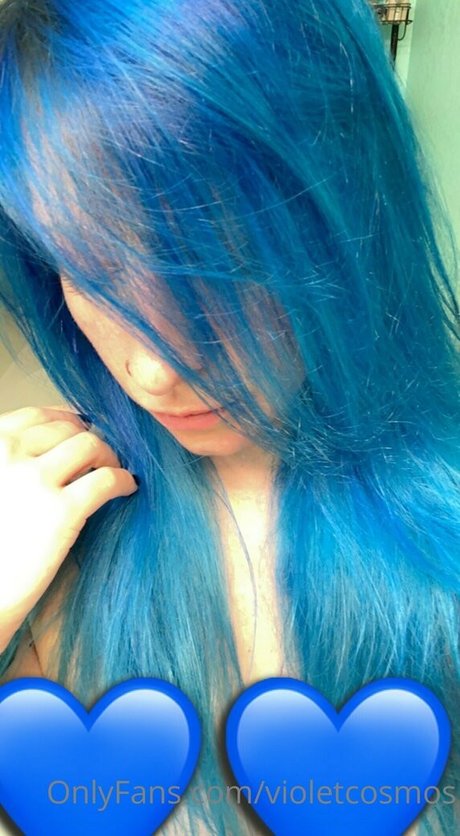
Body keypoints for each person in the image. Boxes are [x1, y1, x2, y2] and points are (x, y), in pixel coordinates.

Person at [0, 1, 458, 834]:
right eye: (92, 271)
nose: (152, 371)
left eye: (218, 264)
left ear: (350, 218)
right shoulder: (52, 525)